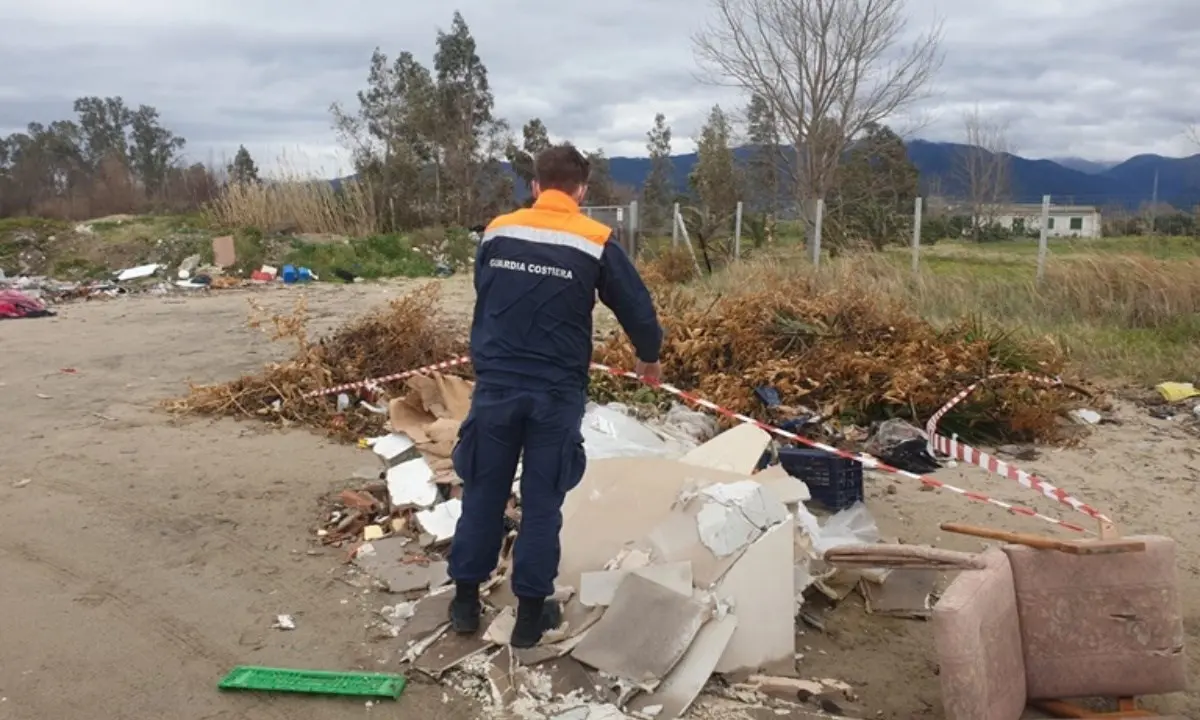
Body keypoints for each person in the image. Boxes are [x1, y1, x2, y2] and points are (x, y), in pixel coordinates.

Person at [447, 143, 663, 648]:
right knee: (543, 504)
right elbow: (636, 306)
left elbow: (487, 295)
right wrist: (649, 354)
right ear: (582, 191)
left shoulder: (497, 231)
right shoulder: (596, 239)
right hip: (556, 392)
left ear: (536, 185)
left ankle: (463, 603)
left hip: (497, 387)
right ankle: (528, 617)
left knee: (482, 492)